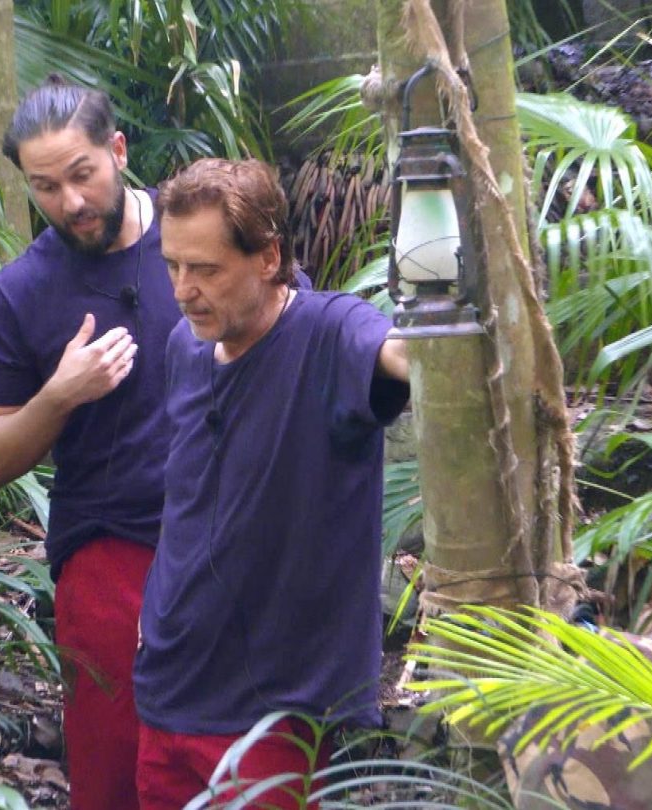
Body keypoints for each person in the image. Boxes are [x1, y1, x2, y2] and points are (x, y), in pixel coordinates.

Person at [134, 157, 411, 809]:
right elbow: (188, 500)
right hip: (167, 679)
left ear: (267, 258)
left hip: (267, 705)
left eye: (204, 269)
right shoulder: (185, 343)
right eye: (172, 265)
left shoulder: (328, 331)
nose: (182, 289)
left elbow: (404, 354)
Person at [0, 75, 175, 810]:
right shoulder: (19, 293)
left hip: (229, 535)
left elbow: (292, 329)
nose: (70, 202)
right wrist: (59, 395)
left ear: (117, 151)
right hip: (106, 549)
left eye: (81, 175)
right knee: (114, 766)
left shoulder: (200, 235)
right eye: (45, 186)